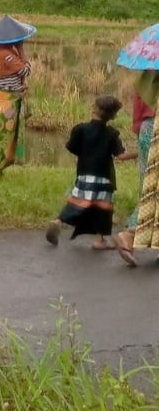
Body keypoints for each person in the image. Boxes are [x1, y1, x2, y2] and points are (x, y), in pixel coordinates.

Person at [47, 96, 133, 249]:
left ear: (93, 108)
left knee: (77, 202)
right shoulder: (112, 133)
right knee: (102, 210)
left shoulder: (80, 129)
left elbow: (72, 148)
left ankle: (58, 221)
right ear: (113, 116)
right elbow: (120, 155)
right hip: (104, 178)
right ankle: (99, 241)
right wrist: (138, 153)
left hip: (84, 175)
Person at [0, 15, 35, 181]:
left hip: (6, 97)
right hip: (3, 99)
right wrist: (22, 50)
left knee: (6, 136)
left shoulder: (1, 49)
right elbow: (26, 70)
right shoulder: (7, 54)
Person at [115, 73, 157, 266]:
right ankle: (130, 234)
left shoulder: (147, 74)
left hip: (146, 129)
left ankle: (134, 236)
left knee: (148, 188)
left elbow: (137, 118)